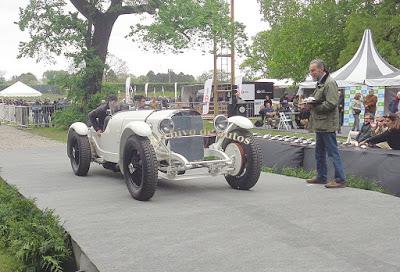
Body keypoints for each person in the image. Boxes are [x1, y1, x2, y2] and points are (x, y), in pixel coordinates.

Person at [306, 59, 346, 189]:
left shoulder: (330, 83)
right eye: (310, 70)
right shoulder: (320, 83)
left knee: (333, 152)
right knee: (319, 152)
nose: (311, 73)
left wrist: (313, 106)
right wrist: (310, 103)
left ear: (321, 69)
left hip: (327, 124)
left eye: (313, 70)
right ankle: (321, 176)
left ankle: (340, 180)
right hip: (321, 124)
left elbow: (331, 103)